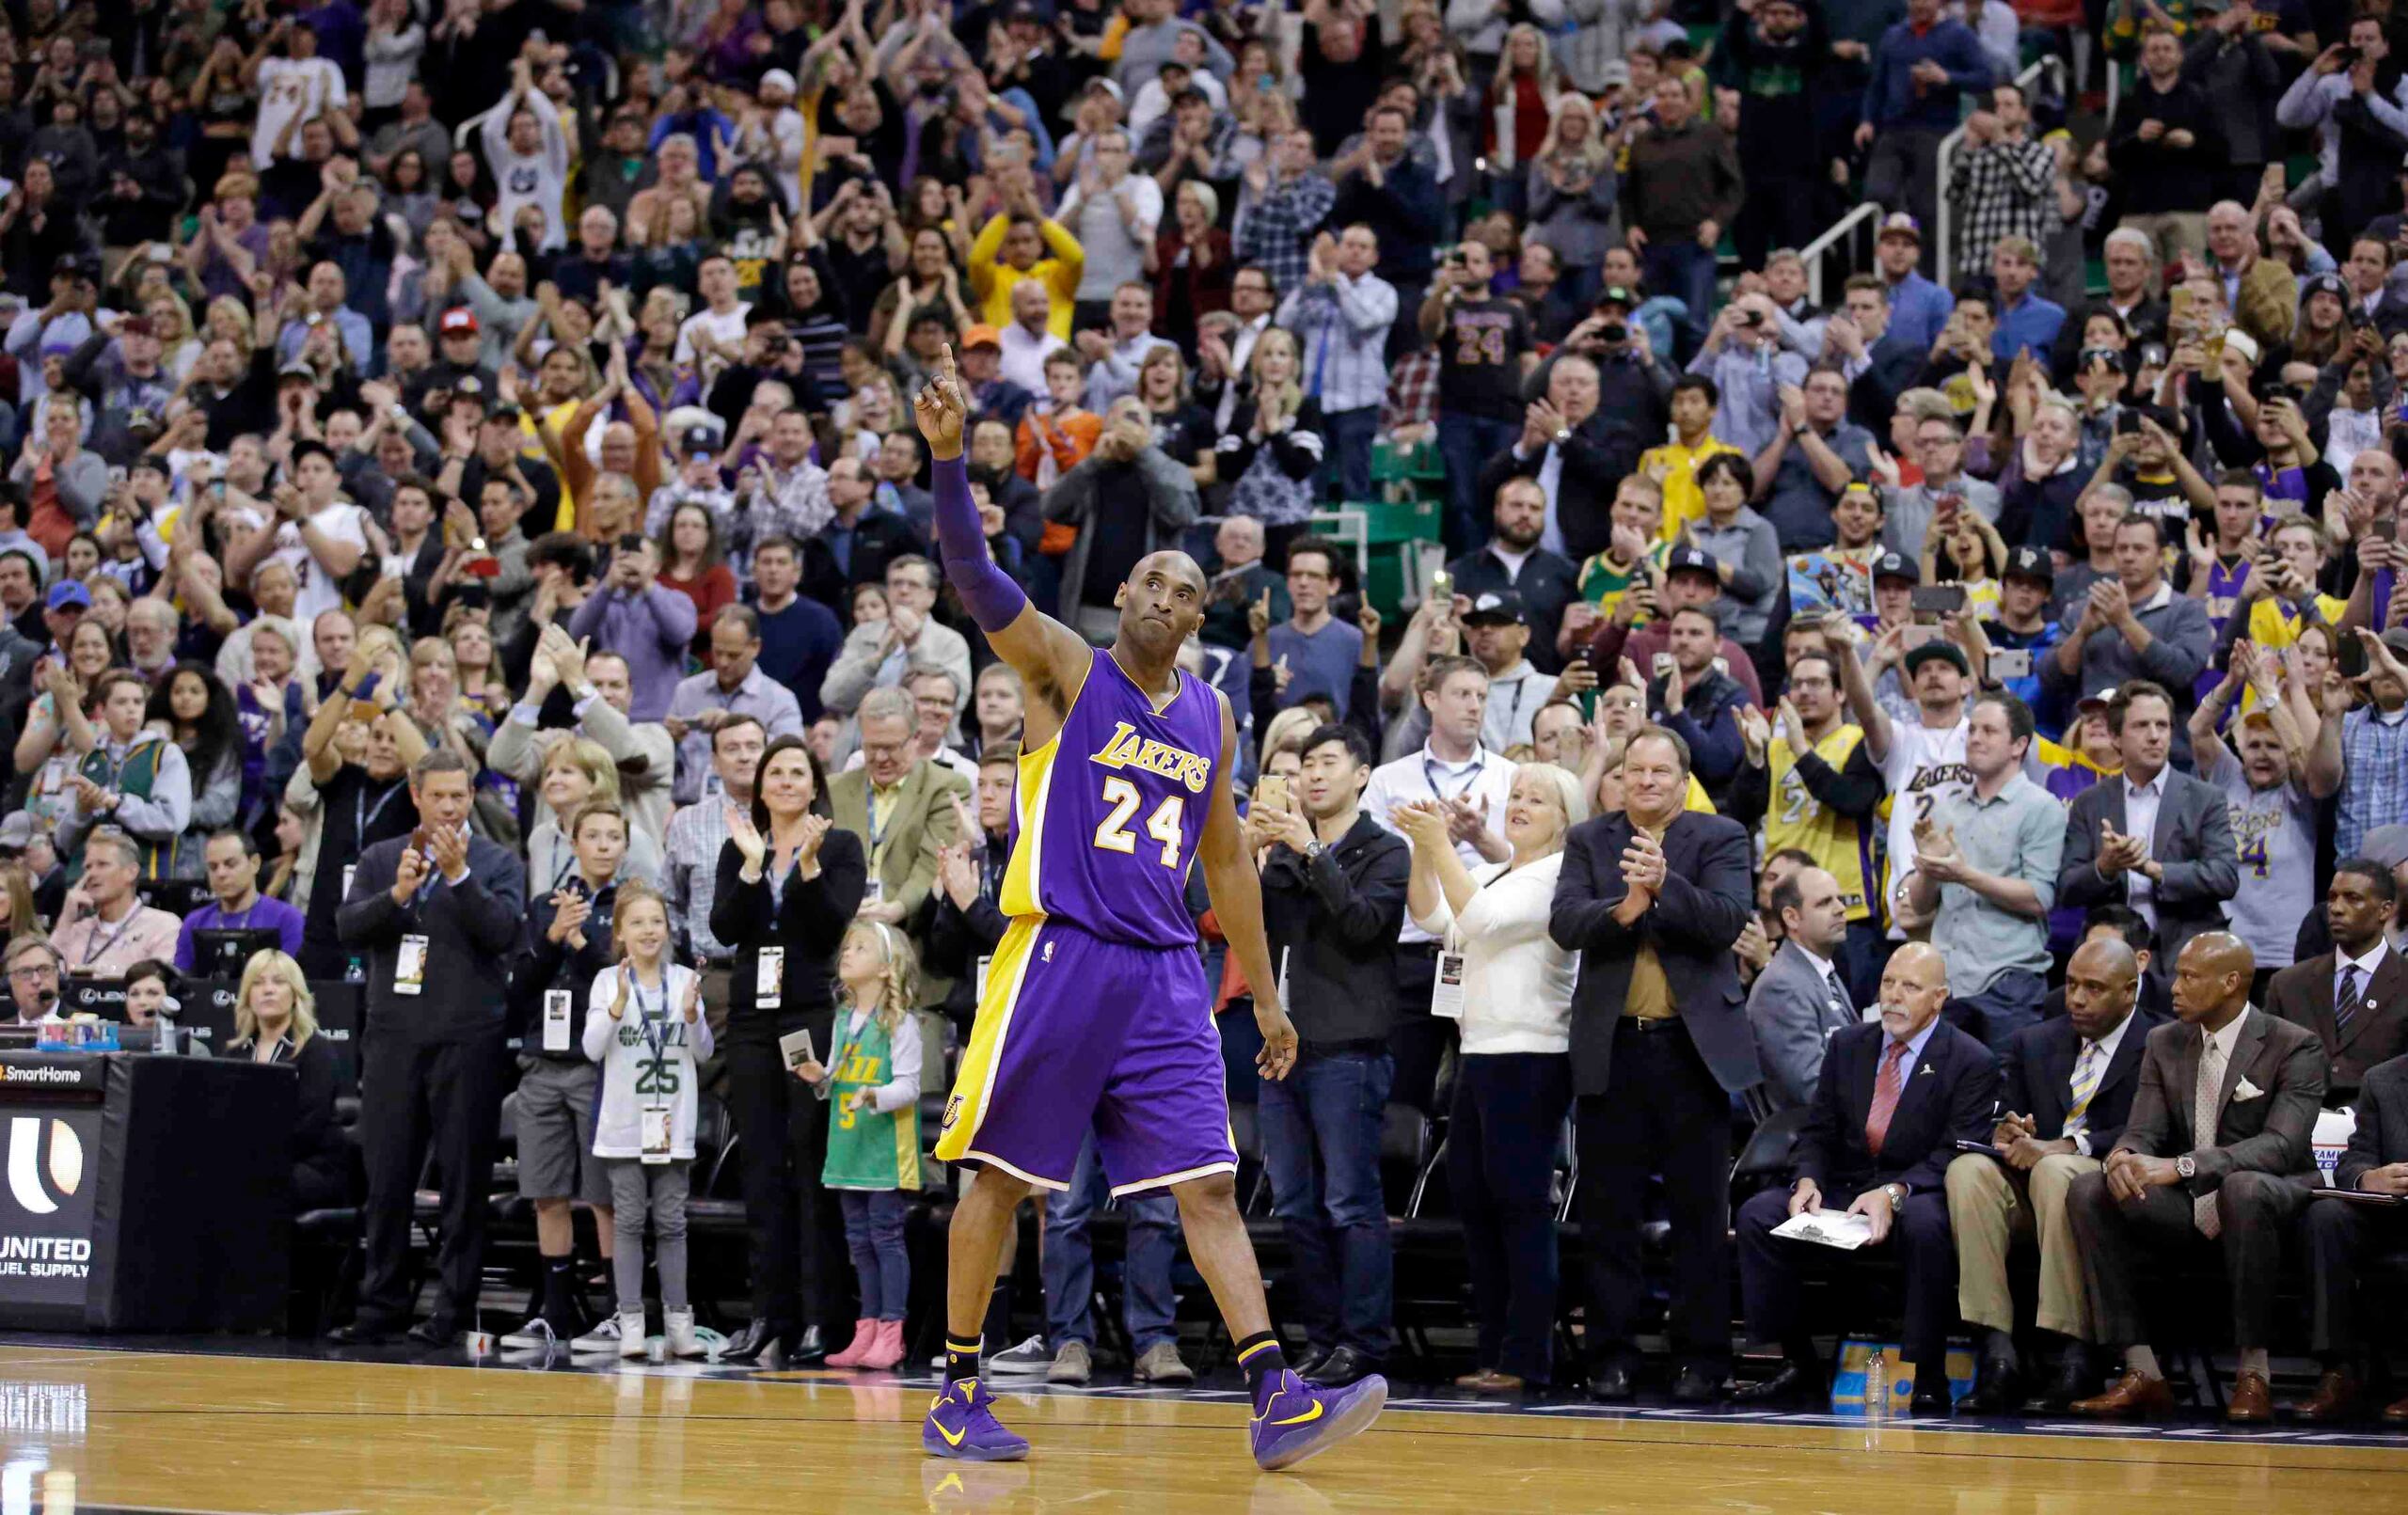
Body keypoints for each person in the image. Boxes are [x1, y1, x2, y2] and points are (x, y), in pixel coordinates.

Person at [911, 344, 1386, 1468]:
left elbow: (1227, 868)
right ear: (1124, 592)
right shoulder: (1066, 670)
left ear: (1198, 613)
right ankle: (957, 1384)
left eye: (1188, 589)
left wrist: (1266, 1000)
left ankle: (1273, 1394)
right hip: (1062, 951)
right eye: (1154, 581)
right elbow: (976, 579)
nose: (1168, 597)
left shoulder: (1213, 719)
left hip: (1167, 970)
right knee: (1003, 1175)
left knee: (1208, 1182)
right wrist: (944, 463)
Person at [1549, 726, 1762, 1404]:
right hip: (1613, 1044)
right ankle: (1611, 1356)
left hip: (1691, 1050)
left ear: (1682, 778)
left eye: (1658, 771)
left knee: (1700, 1212)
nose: (1644, 780)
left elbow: (1729, 920)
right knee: (1609, 1212)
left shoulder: (1719, 836)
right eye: (1633, 769)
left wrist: (1666, 888)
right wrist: (1625, 908)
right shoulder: (1590, 839)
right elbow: (1564, 922)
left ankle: (1704, 1357)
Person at [1732, 941, 2001, 1414]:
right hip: (1845, 1187)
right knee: (1758, 1216)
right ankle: (1797, 1363)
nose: (1894, 996)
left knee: (1926, 1226)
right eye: (1888, 983)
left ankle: (1927, 1373)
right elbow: (1817, 1131)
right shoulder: (1849, 1044)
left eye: (1911, 987)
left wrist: (1894, 1192)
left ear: (1939, 997)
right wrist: (1808, 1182)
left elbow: (1956, 1151)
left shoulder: (1971, 1060)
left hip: (1917, 1189)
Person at [2068, 933, 2327, 1423]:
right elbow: (2143, 1130)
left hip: (2270, 1204)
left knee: (2243, 1187)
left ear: (2231, 983)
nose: (2173, 988)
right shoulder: (2164, 1041)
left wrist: (2183, 1165)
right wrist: (2124, 1156)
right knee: (2089, 1187)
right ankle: (2142, 1371)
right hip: (2189, 1206)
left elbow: (2282, 1146)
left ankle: (2255, 1374)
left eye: (2189, 977)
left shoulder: (2294, 1045)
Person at [330, 749, 527, 1347]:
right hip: (393, 1038)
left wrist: (462, 879)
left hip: (469, 1039)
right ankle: (381, 1306)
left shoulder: (496, 861)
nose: (448, 806)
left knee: (464, 1183)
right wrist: (395, 896)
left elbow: (506, 933)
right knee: (386, 1178)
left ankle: (452, 1311)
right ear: (416, 796)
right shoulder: (383, 857)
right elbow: (347, 928)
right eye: (438, 795)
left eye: (459, 795)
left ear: (471, 797)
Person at [1402, 762, 1584, 1393]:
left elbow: (1475, 920)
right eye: (1516, 794)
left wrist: (1437, 847)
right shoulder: (1495, 872)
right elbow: (1433, 917)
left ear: (1565, 819)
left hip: (1532, 1056)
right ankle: (1493, 1352)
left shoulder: (1558, 876)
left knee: (1520, 1207)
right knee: (1476, 1204)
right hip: (1480, 1053)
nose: (1521, 803)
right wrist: (1428, 852)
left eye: (1538, 797)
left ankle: (1526, 1357)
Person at [1250, 723, 1410, 1387]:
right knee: (1295, 1203)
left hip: (1350, 1046)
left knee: (1351, 1201)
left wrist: (1310, 847)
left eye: (1327, 762)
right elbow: (1253, 930)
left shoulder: (1387, 849)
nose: (1313, 774)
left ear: (1362, 773)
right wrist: (1248, 856)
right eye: (1305, 764)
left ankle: (1365, 1339)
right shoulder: (1284, 854)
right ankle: (1320, 1337)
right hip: (1284, 1046)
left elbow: (1363, 924)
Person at [1945, 935, 2159, 1414]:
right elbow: (2003, 1112)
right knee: (1968, 1172)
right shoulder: (2034, 1040)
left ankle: (2073, 1352)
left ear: (2130, 991)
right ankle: (1997, 1350)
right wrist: (2009, 1128)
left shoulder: (2159, 1043)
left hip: (2113, 1190)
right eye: (2071, 984)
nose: (2077, 998)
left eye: (2095, 988)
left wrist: (2067, 1146)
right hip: (2038, 1185)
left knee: (2057, 1169)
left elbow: (2152, 1130)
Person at [709, 734, 867, 1367]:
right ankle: (767, 1316)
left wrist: (804, 868)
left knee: (809, 1165)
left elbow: (831, 922)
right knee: (761, 1168)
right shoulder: (737, 846)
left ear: (814, 782)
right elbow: (726, 927)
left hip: (808, 1013)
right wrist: (752, 868)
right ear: (760, 784)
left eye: (797, 771)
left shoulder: (841, 846)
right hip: (750, 1019)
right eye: (775, 771)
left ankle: (819, 1317)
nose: (785, 781)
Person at [499, 800, 632, 1353]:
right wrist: (552, 935)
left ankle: (616, 1315)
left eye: (613, 836)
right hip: (541, 1065)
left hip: (599, 1068)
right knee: (546, 1192)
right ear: (573, 843)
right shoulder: (543, 905)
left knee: (603, 1197)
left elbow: (615, 981)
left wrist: (577, 944)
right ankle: (554, 1314)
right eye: (592, 835)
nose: (603, 845)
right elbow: (519, 990)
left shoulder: (633, 907)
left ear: (626, 846)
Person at [1362, 655, 1517, 1113]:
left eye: (1481, 696)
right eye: (1462, 694)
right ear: (1430, 699)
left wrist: (1478, 837)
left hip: (1486, 955)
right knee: (1403, 1100)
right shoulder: (1390, 779)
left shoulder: (1510, 777)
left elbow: (1529, 870)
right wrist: (1433, 845)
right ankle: (1405, 1183)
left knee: (1485, 1100)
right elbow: (1375, 870)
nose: (1475, 706)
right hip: (1412, 953)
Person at [582, 881, 712, 1361]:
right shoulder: (604, 981)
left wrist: (695, 1016)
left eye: (656, 921)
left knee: (673, 1223)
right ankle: (631, 1320)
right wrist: (617, 1005)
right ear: (620, 931)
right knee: (630, 1222)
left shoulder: (684, 980)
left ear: (669, 927)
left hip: (672, 1124)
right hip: (623, 1124)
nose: (648, 930)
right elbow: (592, 1049)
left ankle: (681, 1325)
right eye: (637, 922)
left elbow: (702, 1052)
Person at [1903, 692, 2067, 1054]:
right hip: (1947, 983)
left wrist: (1964, 874)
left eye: (1989, 731)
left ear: (2019, 745)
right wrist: (1929, 867)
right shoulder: (1947, 809)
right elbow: (1919, 904)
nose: (1975, 738)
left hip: (2009, 983)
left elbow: (2040, 898)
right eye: (1972, 729)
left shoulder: (2042, 808)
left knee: (2006, 1100)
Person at [795, 921, 924, 1373]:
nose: (846, 953)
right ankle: (865, 1328)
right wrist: (820, 1079)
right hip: (848, 1147)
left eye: (860, 947)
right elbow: (836, 1079)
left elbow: (909, 1085)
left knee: (886, 1239)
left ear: (887, 969)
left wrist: (876, 1095)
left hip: (883, 1150)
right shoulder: (842, 1019)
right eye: (846, 945)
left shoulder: (901, 1023)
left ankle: (893, 1331)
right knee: (858, 1242)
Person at [2057, 681, 2238, 989]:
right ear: (2115, 737)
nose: (2155, 736)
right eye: (2141, 726)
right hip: (2110, 960)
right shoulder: (2090, 802)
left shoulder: (2204, 797)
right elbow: (2067, 888)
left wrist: (2154, 870)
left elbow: (2225, 876)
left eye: (2162, 725)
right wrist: (2106, 866)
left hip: (2186, 954)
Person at [2294, 1049, 2408, 1423]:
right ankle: (2338, 1370)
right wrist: (2369, 1178)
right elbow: (2354, 1161)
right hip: (2392, 1215)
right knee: (2326, 1216)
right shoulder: (2383, 1078)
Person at [2265, 861, 2408, 1111]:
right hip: (2296, 1128)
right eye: (2332, 898)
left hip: (2383, 1129)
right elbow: (2266, 1071)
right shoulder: (2287, 985)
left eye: (2353, 899)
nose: (2336, 909)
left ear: (2384, 911)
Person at [829, 686, 970, 932]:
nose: (881, 758)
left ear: (916, 738)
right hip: (842, 931)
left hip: (909, 932)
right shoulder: (834, 790)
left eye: (891, 747)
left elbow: (930, 865)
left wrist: (898, 908)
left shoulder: (944, 787)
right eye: (872, 747)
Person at [226, 949, 352, 1210]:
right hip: (251, 1164)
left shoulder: (315, 1049)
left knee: (251, 1183)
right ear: (248, 995)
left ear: (296, 993)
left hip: (312, 1166)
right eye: (258, 983)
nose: (268, 990)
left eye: (279, 982)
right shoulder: (235, 1052)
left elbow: (310, 1123)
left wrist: (255, 1155)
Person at [1746, 865, 1862, 1113]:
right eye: (1824, 903)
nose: (1841, 909)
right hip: (1818, 1137)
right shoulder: (1781, 986)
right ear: (1792, 917)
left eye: (1839, 900)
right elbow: (1812, 1088)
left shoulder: (1822, 969)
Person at [667, 607, 806, 807]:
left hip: (755, 809)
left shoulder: (779, 699)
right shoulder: (687, 692)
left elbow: (794, 757)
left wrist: (731, 725)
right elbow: (668, 762)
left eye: (733, 655)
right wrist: (669, 739)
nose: (723, 662)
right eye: (717, 652)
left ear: (755, 647)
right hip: (688, 805)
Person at [51, 829, 183, 975]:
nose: (91, 874)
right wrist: (66, 920)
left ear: (131, 872)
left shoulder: (163, 925)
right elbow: (47, 980)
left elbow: (158, 986)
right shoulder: (75, 930)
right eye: (88, 867)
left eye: (102, 864)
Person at [172, 828, 306, 973]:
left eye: (230, 864)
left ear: (255, 863)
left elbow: (292, 981)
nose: (221, 873)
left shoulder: (287, 918)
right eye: (213, 867)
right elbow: (182, 982)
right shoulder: (194, 922)